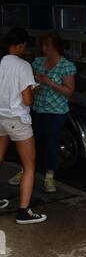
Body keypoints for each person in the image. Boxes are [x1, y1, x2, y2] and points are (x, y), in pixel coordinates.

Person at [8, 31, 76, 192]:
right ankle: (25, 171)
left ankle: (49, 177)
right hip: (37, 108)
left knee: (51, 144)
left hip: (56, 112)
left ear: (56, 47)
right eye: (43, 45)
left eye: (47, 45)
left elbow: (69, 91)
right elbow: (28, 85)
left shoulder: (66, 66)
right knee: (31, 143)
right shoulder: (37, 62)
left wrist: (49, 82)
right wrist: (34, 88)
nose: (44, 49)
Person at [0, 27, 47, 224]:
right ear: (20, 45)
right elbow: (27, 100)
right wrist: (34, 90)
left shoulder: (2, 61)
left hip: (0, 115)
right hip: (17, 119)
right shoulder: (23, 66)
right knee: (29, 166)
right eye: (25, 46)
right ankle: (23, 212)